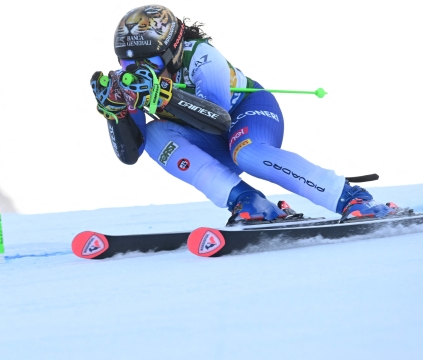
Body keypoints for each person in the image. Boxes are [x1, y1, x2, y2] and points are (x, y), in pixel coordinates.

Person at [91, 4, 398, 224]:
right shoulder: (134, 83)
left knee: (246, 154)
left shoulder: (202, 56)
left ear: (172, 50)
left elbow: (219, 120)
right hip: (208, 134)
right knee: (158, 135)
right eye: (126, 66)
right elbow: (132, 154)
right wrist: (115, 113)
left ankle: (349, 196)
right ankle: (249, 202)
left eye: (150, 64)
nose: (137, 73)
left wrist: (166, 99)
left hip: (248, 114)